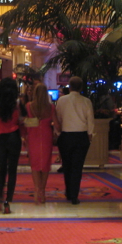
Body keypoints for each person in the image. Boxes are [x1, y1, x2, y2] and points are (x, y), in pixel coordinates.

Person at [0, 77, 23, 214]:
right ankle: (8, 201)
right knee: (12, 170)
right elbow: (22, 121)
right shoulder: (17, 103)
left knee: (2, 170)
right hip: (14, 137)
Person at [55, 76, 94, 205]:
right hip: (81, 136)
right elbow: (90, 120)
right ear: (81, 88)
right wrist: (90, 135)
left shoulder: (61, 100)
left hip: (66, 136)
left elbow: (58, 118)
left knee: (67, 165)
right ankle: (74, 195)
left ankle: (68, 191)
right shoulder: (86, 101)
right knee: (77, 166)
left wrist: (58, 133)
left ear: (69, 86)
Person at [24, 83, 57, 204]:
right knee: (45, 163)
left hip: (33, 135)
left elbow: (26, 123)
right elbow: (57, 124)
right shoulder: (51, 107)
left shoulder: (29, 106)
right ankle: (42, 191)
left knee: (35, 163)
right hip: (46, 135)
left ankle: (37, 190)